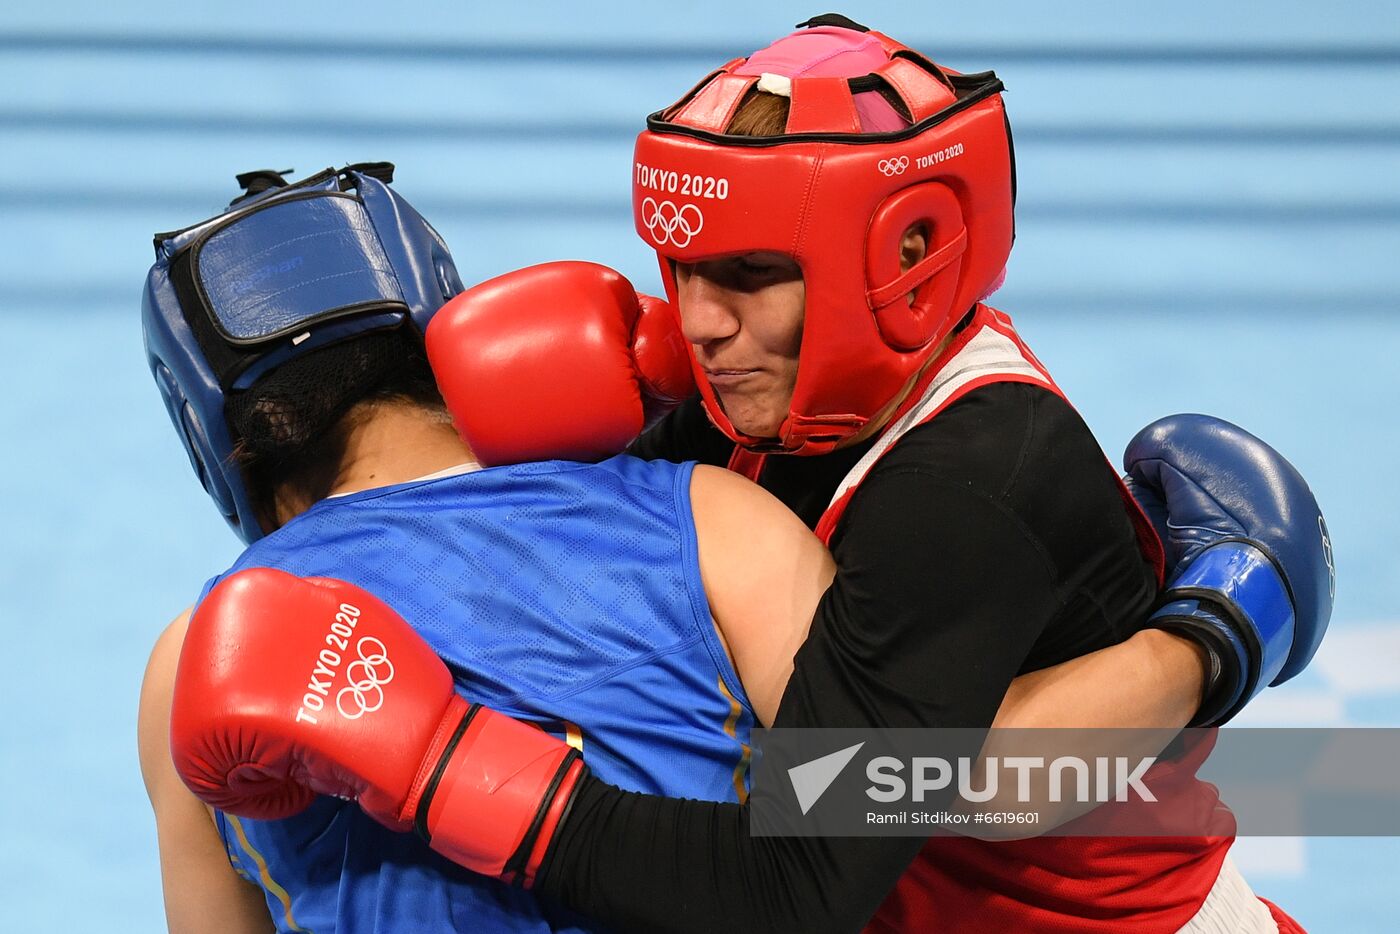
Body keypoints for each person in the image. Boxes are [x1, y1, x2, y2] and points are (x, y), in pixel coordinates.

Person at [137, 164, 1248, 932]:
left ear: (218, 446)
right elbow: (952, 785)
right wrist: (1221, 624)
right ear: (453, 337)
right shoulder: (713, 517)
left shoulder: (188, 658)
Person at [406, 16, 1333, 932]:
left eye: (750, 271)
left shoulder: (971, 477)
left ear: (908, 252)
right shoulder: (762, 397)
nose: (697, 323)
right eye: (683, 267)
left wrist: (449, 771)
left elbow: (811, 868)